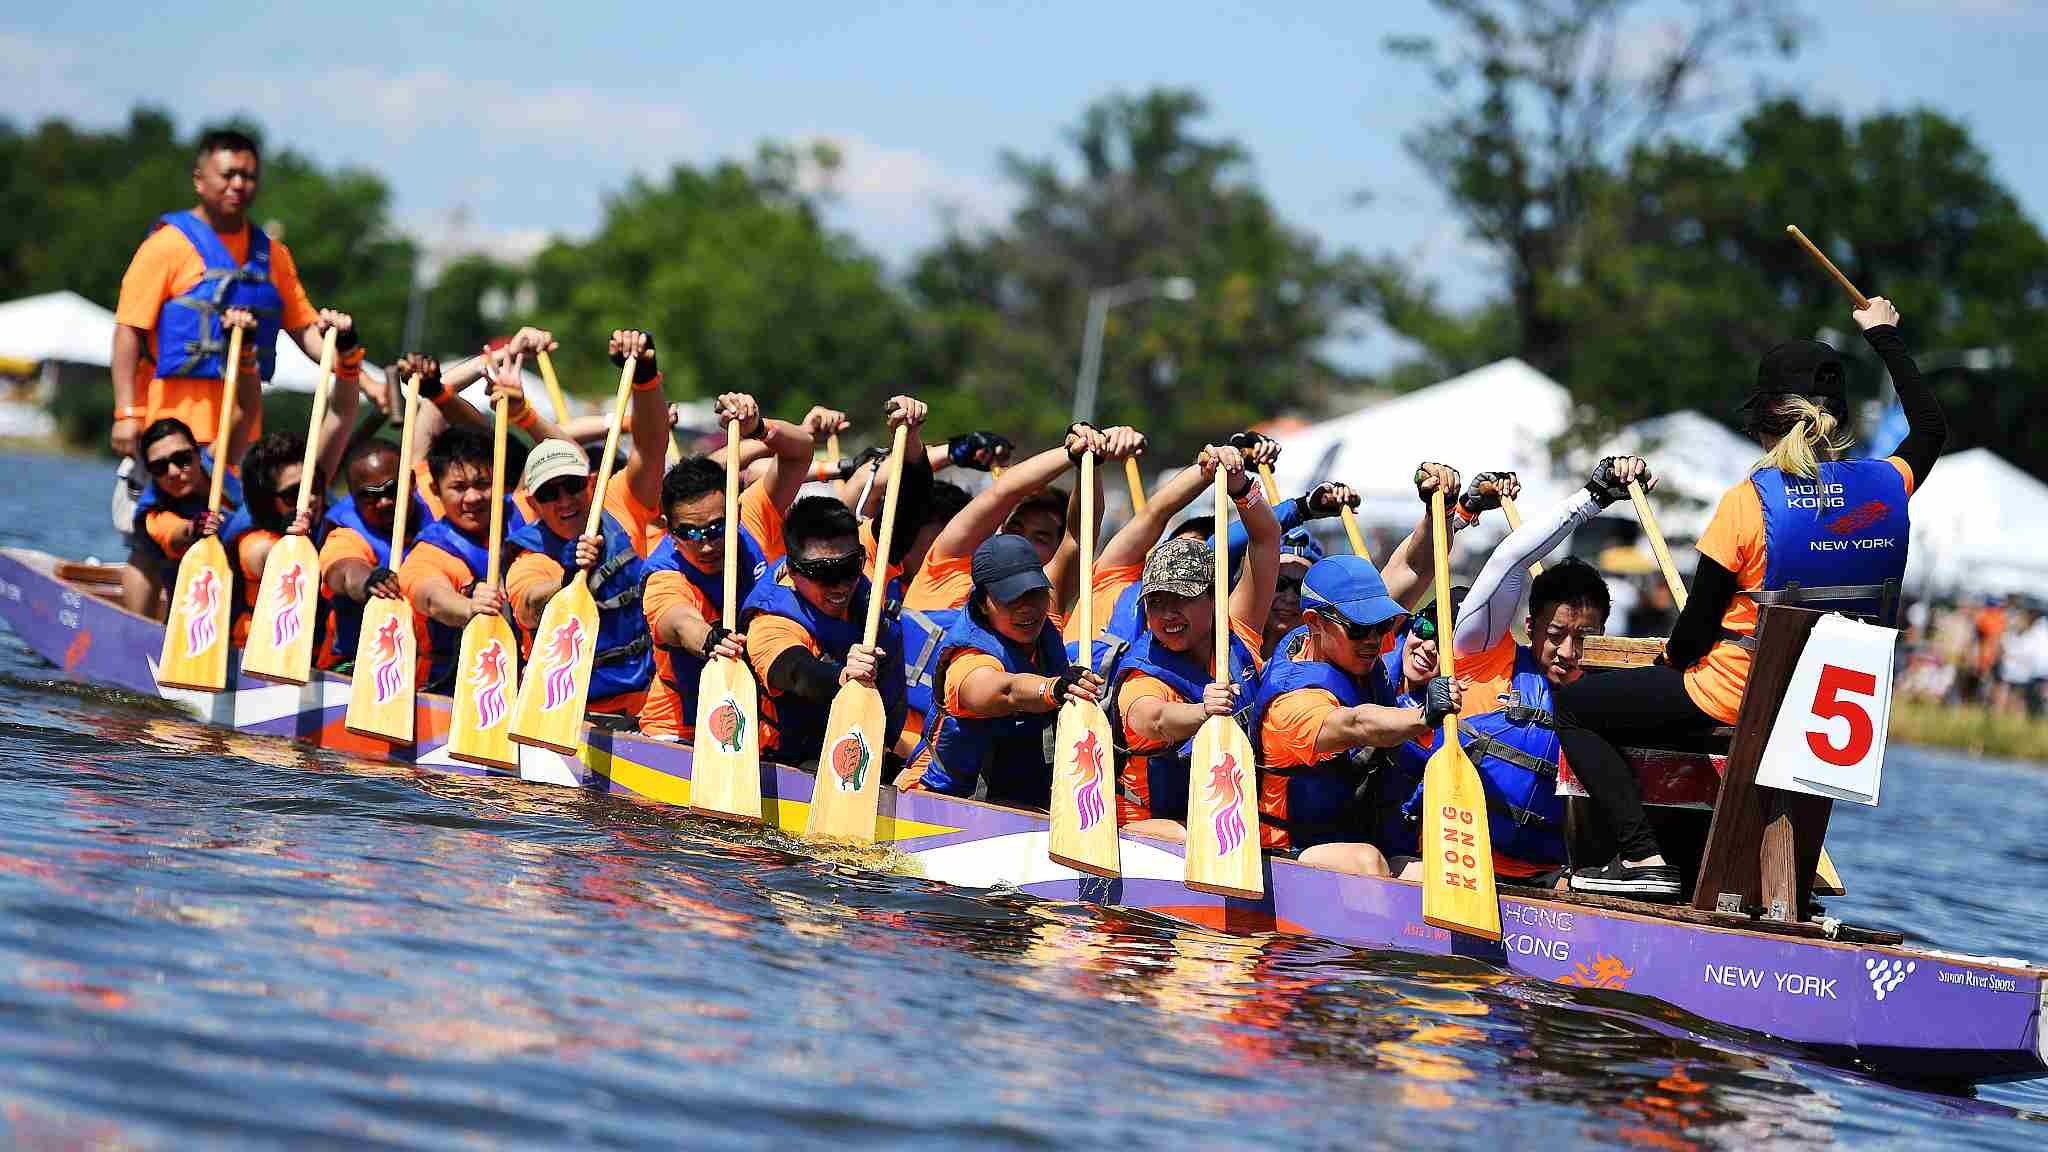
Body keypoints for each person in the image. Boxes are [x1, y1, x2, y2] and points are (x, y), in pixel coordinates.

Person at [1557, 297, 1945, 899]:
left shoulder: (1748, 502)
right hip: (1827, 709)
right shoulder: (1887, 486)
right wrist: (1885, 336)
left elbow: (1693, 637)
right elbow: (1932, 427)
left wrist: (1668, 660)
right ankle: (1767, 887)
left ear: (1765, 423)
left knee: (1576, 706)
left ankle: (1643, 860)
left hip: (1734, 696)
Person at [111, 130, 360, 608]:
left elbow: (305, 329)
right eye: (228, 174)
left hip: (239, 430)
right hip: (170, 427)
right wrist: (127, 413)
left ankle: (213, 623)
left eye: (248, 175)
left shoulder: (272, 256)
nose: (238, 184)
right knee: (150, 538)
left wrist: (358, 371)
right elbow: (127, 330)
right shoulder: (166, 246)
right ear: (200, 179)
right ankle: (136, 628)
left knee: (226, 533)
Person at [1098, 444, 1278, 842]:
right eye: (1157, 602)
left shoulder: (1238, 629)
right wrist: (1202, 711)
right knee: (1190, 835)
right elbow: (1153, 719)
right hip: (1144, 829)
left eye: (1181, 598)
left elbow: (1266, 541)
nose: (1167, 614)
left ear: (1213, 598)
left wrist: (1241, 489)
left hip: (1224, 823)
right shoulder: (1143, 674)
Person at [1249, 553, 1462, 876]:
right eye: (1361, 628)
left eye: (1382, 625)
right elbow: (1356, 724)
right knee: (1367, 861)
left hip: (1349, 836)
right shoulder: (1291, 705)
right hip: (1286, 854)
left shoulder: (1345, 642)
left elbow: (1415, 566)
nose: (1375, 639)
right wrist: (1424, 715)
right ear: (1314, 622)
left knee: (1432, 873)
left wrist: (1447, 522)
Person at [638, 395, 834, 741]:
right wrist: (710, 639)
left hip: (755, 725)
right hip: (680, 729)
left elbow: (800, 452)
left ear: (736, 511)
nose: (706, 545)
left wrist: (759, 427)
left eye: (717, 528)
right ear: (669, 529)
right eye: (689, 533)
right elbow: (679, 622)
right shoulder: (664, 577)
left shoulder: (753, 516)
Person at [916, 530, 1108, 809]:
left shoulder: (1042, 621)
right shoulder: (968, 661)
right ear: (982, 603)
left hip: (1019, 801)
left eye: (1035, 593)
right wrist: (1054, 687)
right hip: (944, 802)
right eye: (1011, 598)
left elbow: (1077, 538)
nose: (1027, 608)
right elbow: (1005, 690)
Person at [742, 495, 909, 766]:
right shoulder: (769, 624)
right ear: (792, 570)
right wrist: (843, 675)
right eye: (823, 573)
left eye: (849, 568)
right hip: (797, 763)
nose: (840, 585)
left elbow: (909, 511)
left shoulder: (865, 561)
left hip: (867, 751)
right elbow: (798, 672)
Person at [317, 437, 429, 672]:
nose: (384, 502)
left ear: (411, 481)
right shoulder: (344, 536)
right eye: (369, 496)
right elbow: (345, 572)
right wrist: (370, 580)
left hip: (429, 669)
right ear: (353, 497)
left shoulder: (442, 503)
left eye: (392, 489)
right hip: (360, 667)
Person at [125, 416, 244, 617]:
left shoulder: (221, 459)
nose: (172, 472)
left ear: (198, 454)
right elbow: (176, 532)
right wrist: (195, 527)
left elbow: (243, 411)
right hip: (195, 611)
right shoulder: (153, 514)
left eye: (182, 459)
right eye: (159, 467)